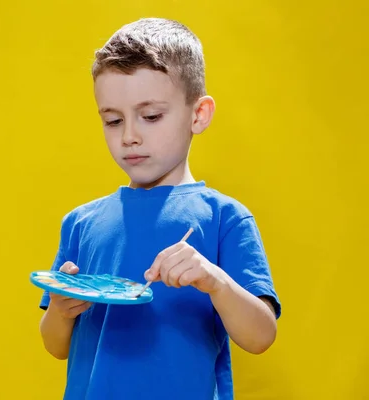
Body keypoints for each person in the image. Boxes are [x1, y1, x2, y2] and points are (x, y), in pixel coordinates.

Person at [37, 17, 281, 400]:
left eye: (151, 116)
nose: (130, 136)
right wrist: (61, 310)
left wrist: (214, 281)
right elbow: (56, 346)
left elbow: (261, 335)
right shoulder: (81, 223)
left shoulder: (225, 218)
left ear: (198, 115)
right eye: (113, 120)